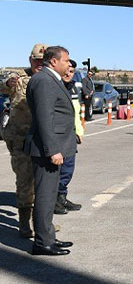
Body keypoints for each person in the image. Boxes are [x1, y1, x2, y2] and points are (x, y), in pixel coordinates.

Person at [24, 46, 76, 256]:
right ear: (54, 61)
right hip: (47, 150)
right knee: (45, 197)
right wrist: (52, 150)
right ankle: (42, 243)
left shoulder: (50, 79)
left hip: (53, 147)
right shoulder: (44, 81)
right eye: (66, 60)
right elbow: (45, 119)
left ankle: (48, 237)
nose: (69, 64)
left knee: (50, 195)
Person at [1, 43, 46, 238]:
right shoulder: (19, 79)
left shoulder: (50, 79)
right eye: (37, 61)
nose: (40, 65)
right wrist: (8, 82)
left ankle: (42, 224)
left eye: (43, 62)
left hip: (44, 139)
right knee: (25, 181)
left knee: (44, 183)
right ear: (30, 60)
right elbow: (2, 82)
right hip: (21, 139)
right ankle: (24, 223)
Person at [55, 60, 84, 215]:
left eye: (72, 72)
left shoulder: (73, 87)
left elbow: (76, 113)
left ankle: (62, 197)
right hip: (59, 135)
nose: (68, 74)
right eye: (66, 70)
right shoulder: (55, 86)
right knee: (57, 170)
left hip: (71, 135)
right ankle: (54, 201)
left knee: (68, 169)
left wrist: (79, 131)